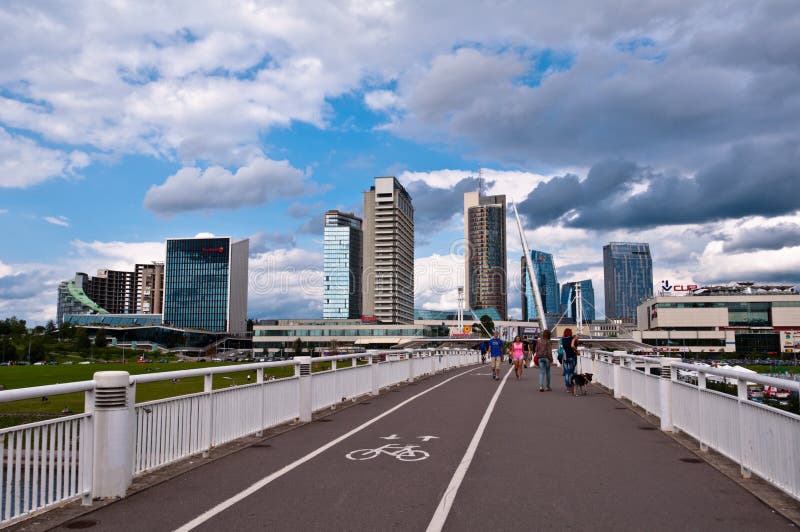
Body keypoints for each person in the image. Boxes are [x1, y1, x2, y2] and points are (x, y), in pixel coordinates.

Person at [561, 328, 579, 393]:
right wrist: (577, 352)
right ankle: (571, 387)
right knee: (571, 373)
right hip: (572, 357)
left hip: (566, 358)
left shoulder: (563, 339)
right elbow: (573, 346)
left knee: (567, 373)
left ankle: (567, 388)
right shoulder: (572, 339)